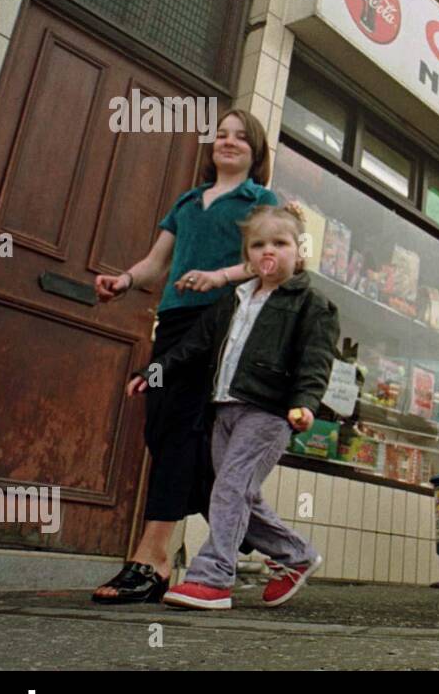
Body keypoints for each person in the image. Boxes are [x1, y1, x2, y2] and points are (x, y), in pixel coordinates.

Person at [92, 109, 278, 604]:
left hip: (216, 325)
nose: (228, 141)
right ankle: (253, 534)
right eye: (221, 135)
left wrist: (219, 277)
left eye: (240, 137)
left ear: (256, 151)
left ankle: (151, 559)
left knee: (178, 431)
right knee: (160, 427)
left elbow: (270, 258)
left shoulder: (259, 200)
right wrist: (125, 281)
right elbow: (156, 264)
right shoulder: (188, 201)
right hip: (172, 325)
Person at [128, 204, 339, 610]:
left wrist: (305, 404)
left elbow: (315, 362)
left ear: (299, 251)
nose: (268, 251)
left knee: (230, 487)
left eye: (280, 242)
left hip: (270, 412)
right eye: (258, 244)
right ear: (247, 256)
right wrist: (152, 374)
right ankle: (296, 555)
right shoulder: (235, 300)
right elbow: (192, 347)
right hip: (223, 411)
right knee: (232, 492)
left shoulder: (311, 304)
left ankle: (213, 577)